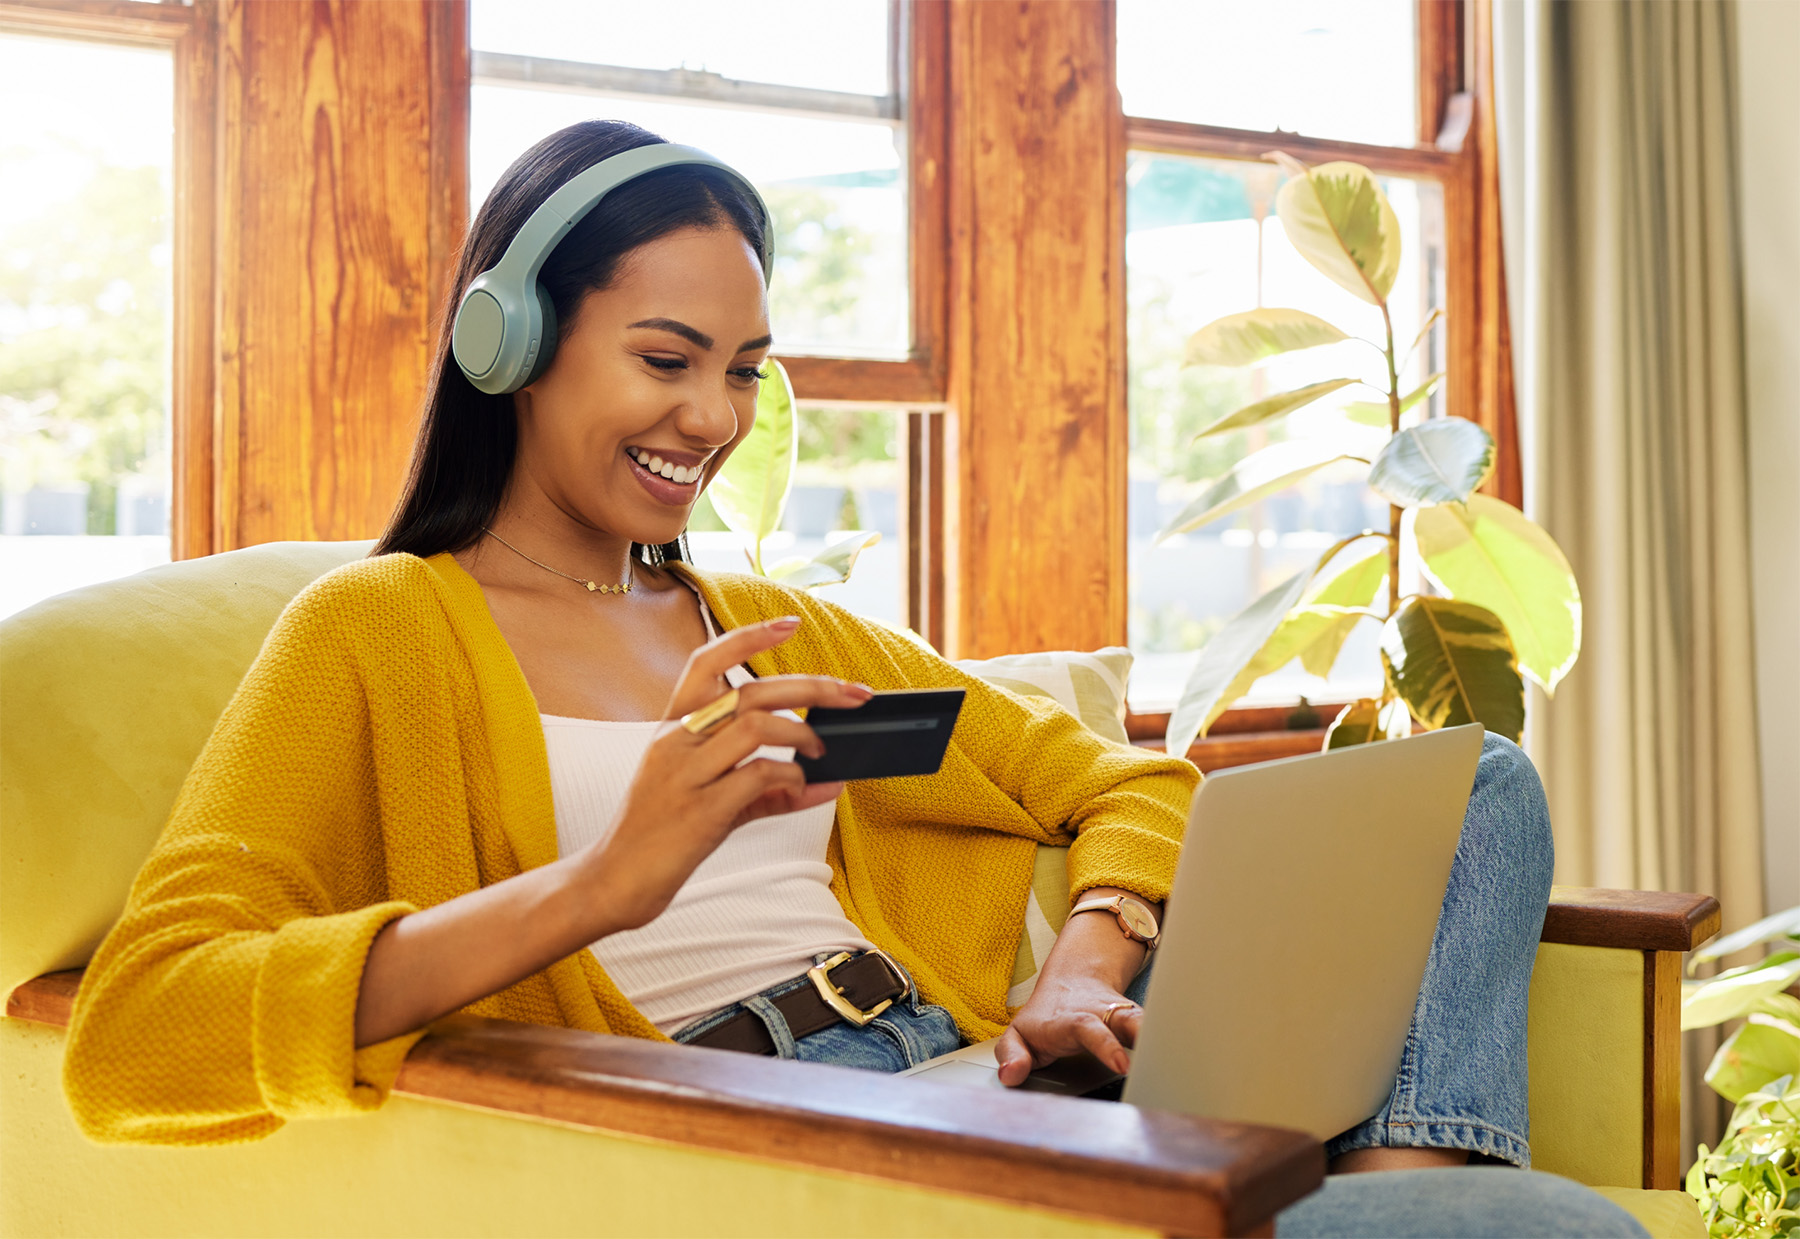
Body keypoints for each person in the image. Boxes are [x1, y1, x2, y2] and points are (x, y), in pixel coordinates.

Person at [62, 120, 1645, 1236]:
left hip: (981, 1075)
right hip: (802, 1136)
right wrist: (601, 886)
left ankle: (1392, 1182)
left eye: (745, 371)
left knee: (1474, 786)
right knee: (1550, 1236)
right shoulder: (378, 632)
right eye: (668, 359)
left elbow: (1115, 779)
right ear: (513, 343)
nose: (715, 417)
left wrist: (1087, 968)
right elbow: (135, 1035)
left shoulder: (768, 623)